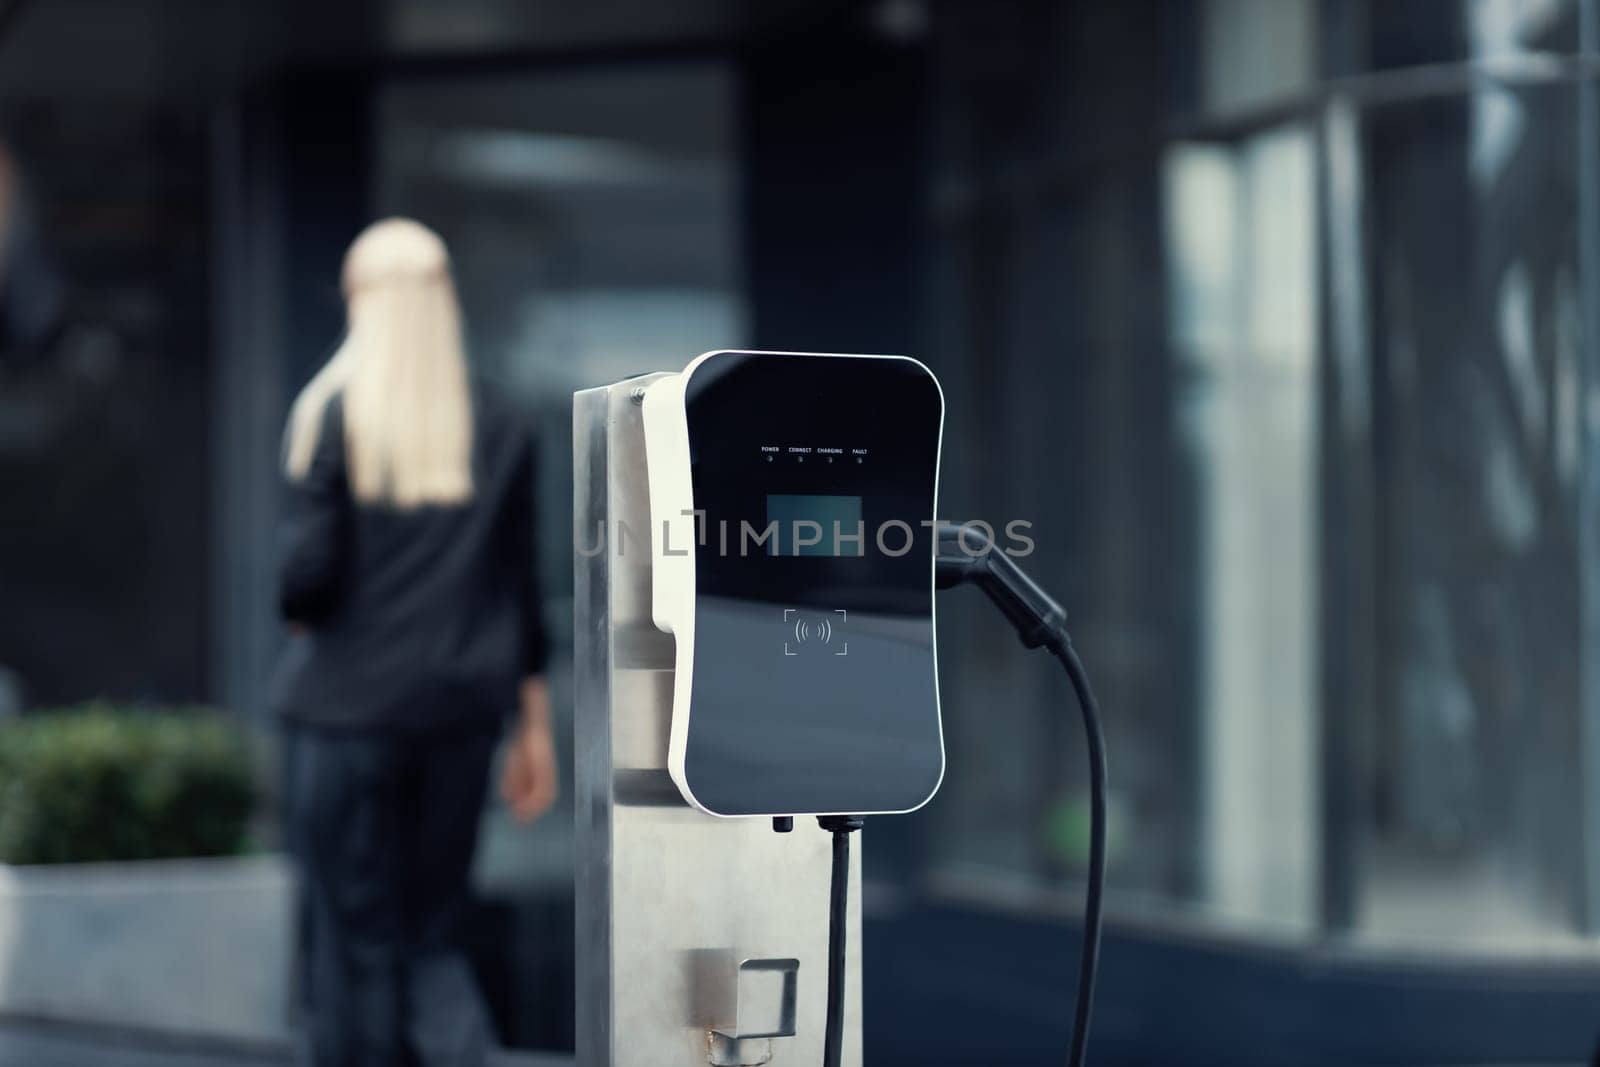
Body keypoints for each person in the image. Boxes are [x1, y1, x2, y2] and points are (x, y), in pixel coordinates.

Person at [271, 218, 558, 1067]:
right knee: (433, 936)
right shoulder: (504, 421)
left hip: (345, 714)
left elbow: (303, 582)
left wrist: (305, 606)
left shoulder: (333, 414)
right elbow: (520, 591)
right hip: (459, 718)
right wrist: (533, 727)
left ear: (364, 301)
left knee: (354, 947)